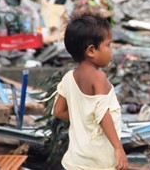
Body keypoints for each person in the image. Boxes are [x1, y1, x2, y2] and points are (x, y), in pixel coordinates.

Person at [53, 10, 128, 170]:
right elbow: (102, 114)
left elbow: (58, 111)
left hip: (76, 159)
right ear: (91, 51)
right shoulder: (98, 78)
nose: (111, 50)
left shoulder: (68, 78)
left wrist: (83, 117)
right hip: (98, 160)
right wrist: (118, 147)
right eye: (108, 45)